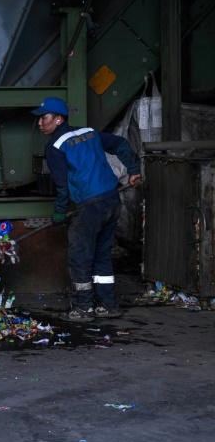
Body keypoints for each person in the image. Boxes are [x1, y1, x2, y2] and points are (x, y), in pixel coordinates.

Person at [32, 96, 142, 322]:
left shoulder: (54, 147)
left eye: (44, 118)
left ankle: (83, 308)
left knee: (80, 256)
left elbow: (62, 185)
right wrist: (134, 169)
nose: (40, 123)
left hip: (89, 207)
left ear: (59, 119)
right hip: (111, 200)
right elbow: (120, 144)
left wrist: (60, 211)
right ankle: (108, 305)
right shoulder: (89, 133)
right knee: (102, 254)